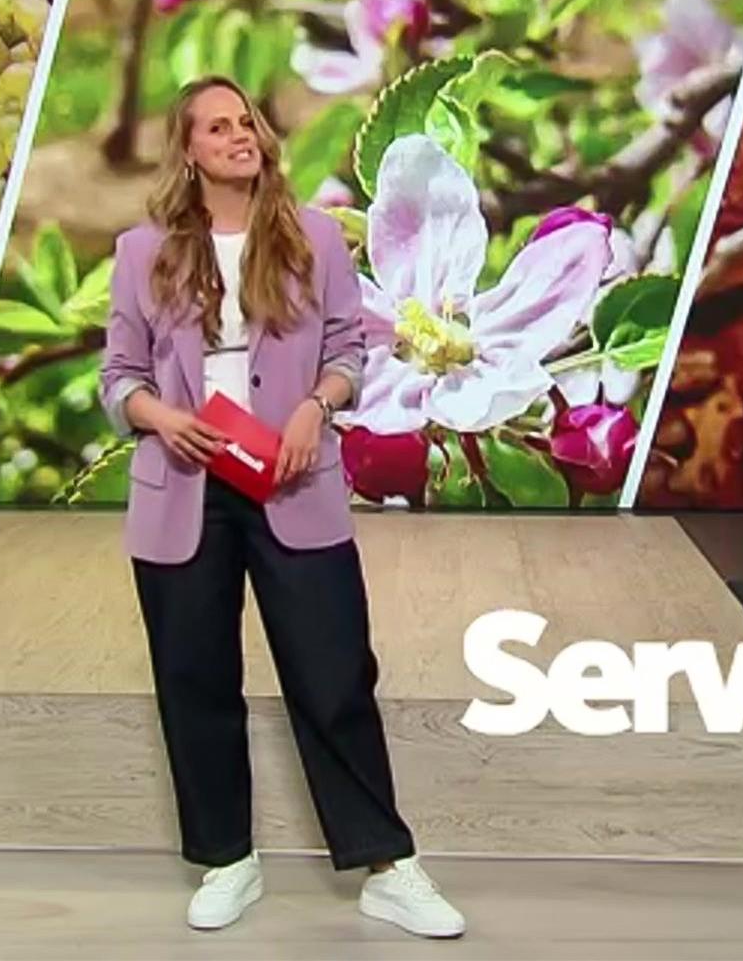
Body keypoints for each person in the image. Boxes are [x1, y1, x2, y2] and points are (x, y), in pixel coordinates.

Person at [99, 75, 466, 939]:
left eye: (247, 123)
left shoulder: (314, 238)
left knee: (334, 673)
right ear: (188, 151)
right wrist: (160, 418)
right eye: (217, 127)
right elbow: (118, 377)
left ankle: (387, 864)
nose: (239, 136)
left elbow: (348, 349)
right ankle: (227, 858)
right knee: (194, 678)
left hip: (293, 476)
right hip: (185, 486)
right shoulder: (142, 251)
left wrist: (315, 407)